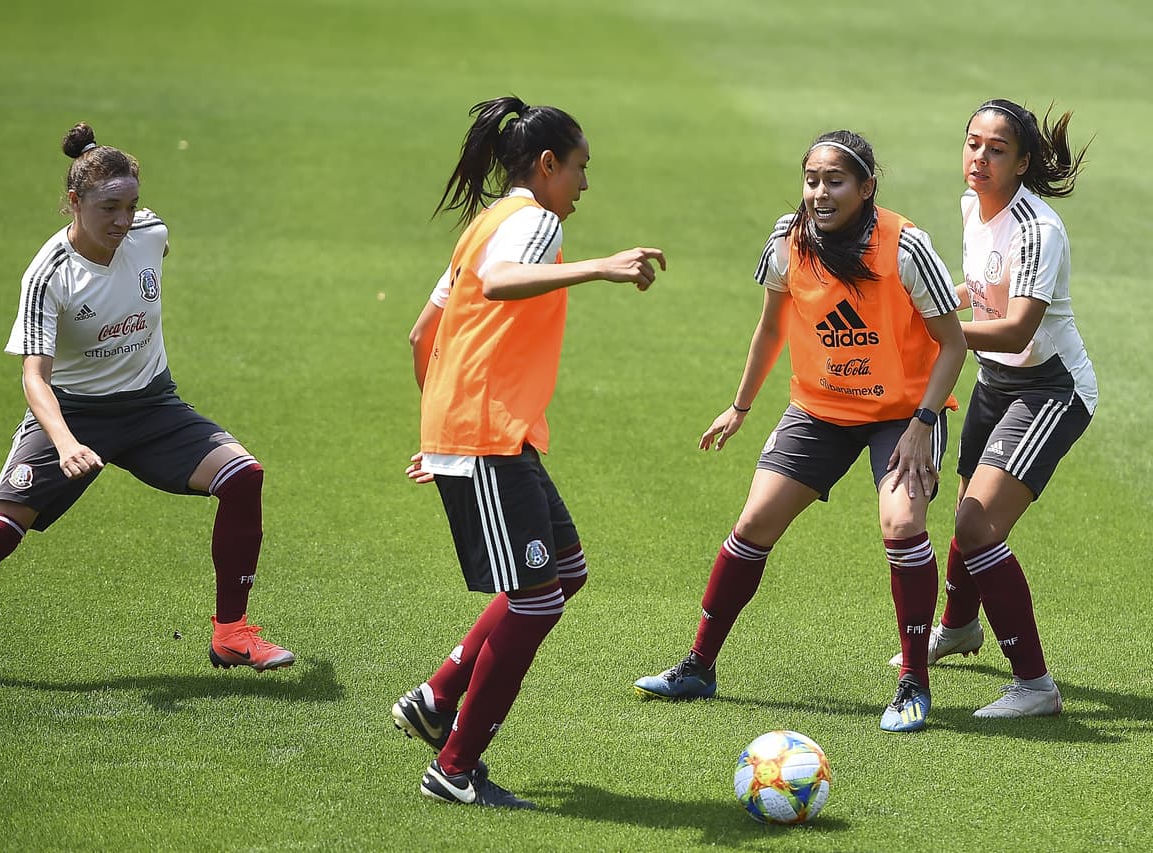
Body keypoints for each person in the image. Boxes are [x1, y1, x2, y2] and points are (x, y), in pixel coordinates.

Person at [0, 123, 293, 687]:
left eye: (131, 205)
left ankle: (232, 633)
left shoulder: (149, 234)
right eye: (108, 208)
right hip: (72, 415)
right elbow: (35, 378)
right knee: (1, 530)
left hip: (153, 407)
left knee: (244, 476)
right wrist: (66, 441)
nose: (123, 221)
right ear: (75, 203)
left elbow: (154, 244)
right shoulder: (49, 274)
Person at [633, 130, 966, 734]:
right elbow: (770, 329)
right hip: (819, 409)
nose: (820, 192)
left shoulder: (906, 247)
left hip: (903, 414)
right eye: (812, 180)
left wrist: (924, 422)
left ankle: (913, 682)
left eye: (835, 181)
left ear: (867, 188)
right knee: (754, 522)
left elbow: (953, 343)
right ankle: (698, 666)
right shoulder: (788, 242)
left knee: (902, 523)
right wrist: (739, 406)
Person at [390, 96, 665, 809]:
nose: (582, 185)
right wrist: (602, 266)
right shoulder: (533, 223)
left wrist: (439, 431)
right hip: (486, 433)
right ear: (546, 166)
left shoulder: (483, 223)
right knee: (537, 601)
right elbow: (500, 284)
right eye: (578, 169)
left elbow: (424, 333)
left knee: (563, 572)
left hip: (489, 433)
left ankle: (437, 694)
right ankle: (454, 767)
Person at [888, 99, 1095, 718]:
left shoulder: (1038, 229)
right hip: (997, 383)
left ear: (1023, 162)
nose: (978, 158)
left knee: (979, 527)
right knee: (965, 514)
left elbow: (1013, 330)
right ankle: (959, 627)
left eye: (996, 149)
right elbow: (977, 295)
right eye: (972, 143)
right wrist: (932, 304)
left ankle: (1035, 685)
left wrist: (933, 326)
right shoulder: (971, 208)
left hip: (1051, 388)